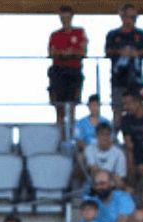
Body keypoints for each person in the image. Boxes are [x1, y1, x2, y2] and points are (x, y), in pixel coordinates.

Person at [49, 6, 88, 138]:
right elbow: (52, 52)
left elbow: (82, 52)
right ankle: (59, 137)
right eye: (62, 17)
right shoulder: (55, 35)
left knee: (72, 107)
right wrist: (68, 53)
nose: (65, 20)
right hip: (58, 72)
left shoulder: (79, 32)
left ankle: (71, 137)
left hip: (74, 72)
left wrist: (66, 54)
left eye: (67, 17)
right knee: (59, 108)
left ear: (72, 17)